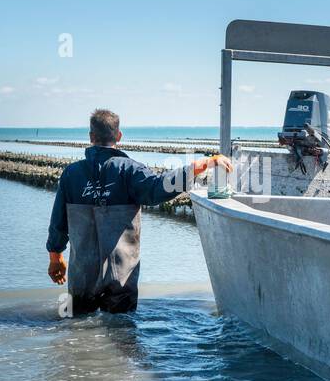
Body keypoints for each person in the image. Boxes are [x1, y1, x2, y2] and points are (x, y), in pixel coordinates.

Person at [46, 109, 232, 314]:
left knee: (77, 331)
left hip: (82, 274)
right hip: (121, 277)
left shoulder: (71, 174)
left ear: (91, 136)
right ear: (118, 136)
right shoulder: (129, 170)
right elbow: (159, 187)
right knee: (121, 333)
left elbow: (58, 223)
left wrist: (56, 258)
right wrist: (201, 164)